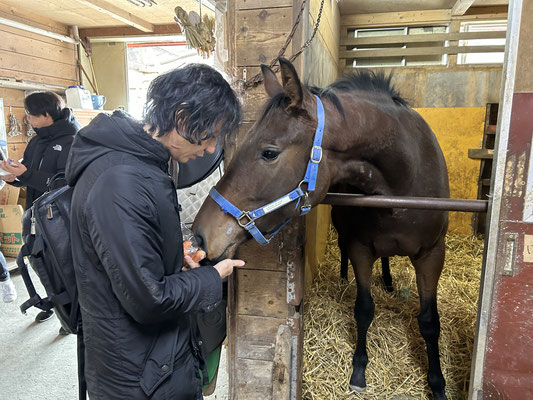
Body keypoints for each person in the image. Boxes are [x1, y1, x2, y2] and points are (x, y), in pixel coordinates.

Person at [65, 64, 245, 400]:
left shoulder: (143, 164)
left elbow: (133, 264)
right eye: (209, 135)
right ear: (181, 117)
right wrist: (211, 278)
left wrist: (174, 259)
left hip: (154, 363)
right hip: (138, 378)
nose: (209, 150)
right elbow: (149, 299)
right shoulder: (120, 183)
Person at [0, 91, 80, 326]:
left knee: (64, 265)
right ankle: (56, 305)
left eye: (31, 115)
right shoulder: (37, 140)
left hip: (62, 216)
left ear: (46, 115)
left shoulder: (74, 139)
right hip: (35, 214)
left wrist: (27, 174)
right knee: (40, 261)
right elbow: (29, 170)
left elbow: (67, 183)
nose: (28, 119)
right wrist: (13, 176)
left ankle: (71, 314)